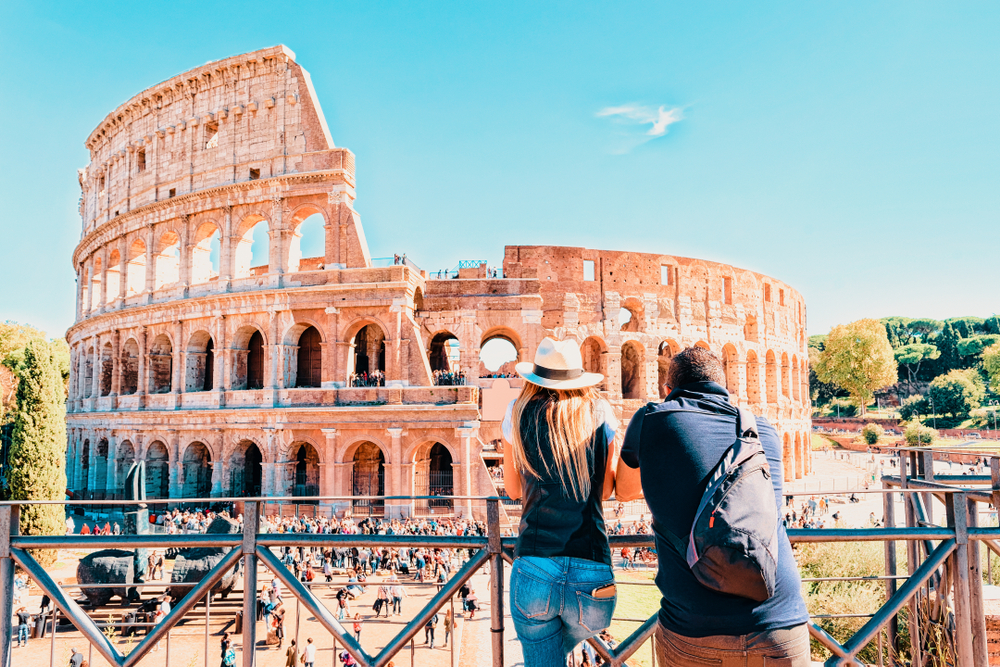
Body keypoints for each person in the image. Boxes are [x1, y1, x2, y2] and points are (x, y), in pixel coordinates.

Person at [616, 346, 810, 667]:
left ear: (667, 390)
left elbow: (624, 491)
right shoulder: (764, 430)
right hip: (781, 622)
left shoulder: (651, 419)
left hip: (695, 628)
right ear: (726, 388)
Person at [502, 337, 619, 667]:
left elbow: (512, 490)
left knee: (543, 656)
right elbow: (607, 490)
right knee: (555, 650)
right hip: (593, 574)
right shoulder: (600, 411)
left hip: (535, 566)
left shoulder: (518, 410)